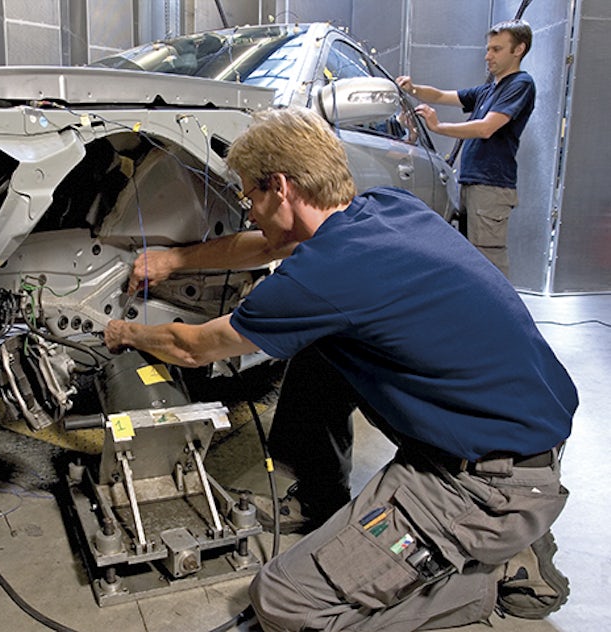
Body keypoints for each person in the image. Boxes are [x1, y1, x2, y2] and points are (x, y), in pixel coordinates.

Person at [103, 105, 576, 630]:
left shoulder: (324, 278)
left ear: (280, 186)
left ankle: (484, 575)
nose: (248, 210)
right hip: (516, 429)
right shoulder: (384, 207)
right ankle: (324, 502)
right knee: (321, 348)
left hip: (486, 485)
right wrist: (177, 260)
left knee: (284, 602)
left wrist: (125, 332)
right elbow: (267, 244)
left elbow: (192, 348)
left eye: (249, 195)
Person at [396, 19, 535, 278]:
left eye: (496, 49)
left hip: (491, 185)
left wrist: (438, 127)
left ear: (518, 50)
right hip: (473, 182)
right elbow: (439, 96)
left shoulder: (520, 85)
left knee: (488, 259)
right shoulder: (488, 90)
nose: (487, 56)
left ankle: (499, 317)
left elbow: (486, 128)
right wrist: (413, 89)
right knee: (473, 259)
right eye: (488, 49)